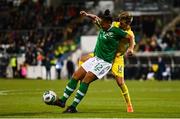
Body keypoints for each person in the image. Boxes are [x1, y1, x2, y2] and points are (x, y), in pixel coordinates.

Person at [48, 9, 134, 113]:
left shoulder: (117, 31)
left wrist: (131, 49)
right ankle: (62, 101)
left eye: (102, 23)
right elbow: (96, 18)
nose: (100, 24)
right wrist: (87, 14)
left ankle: (73, 107)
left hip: (106, 61)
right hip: (95, 58)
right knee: (76, 75)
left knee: (91, 79)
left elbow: (130, 38)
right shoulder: (107, 25)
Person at [78, 11, 135, 112]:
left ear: (128, 23)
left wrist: (131, 49)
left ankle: (129, 105)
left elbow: (132, 39)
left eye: (122, 23)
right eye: (120, 22)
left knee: (120, 82)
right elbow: (98, 19)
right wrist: (87, 15)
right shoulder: (115, 25)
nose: (120, 24)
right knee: (82, 59)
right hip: (104, 55)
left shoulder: (129, 33)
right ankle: (80, 80)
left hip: (117, 58)